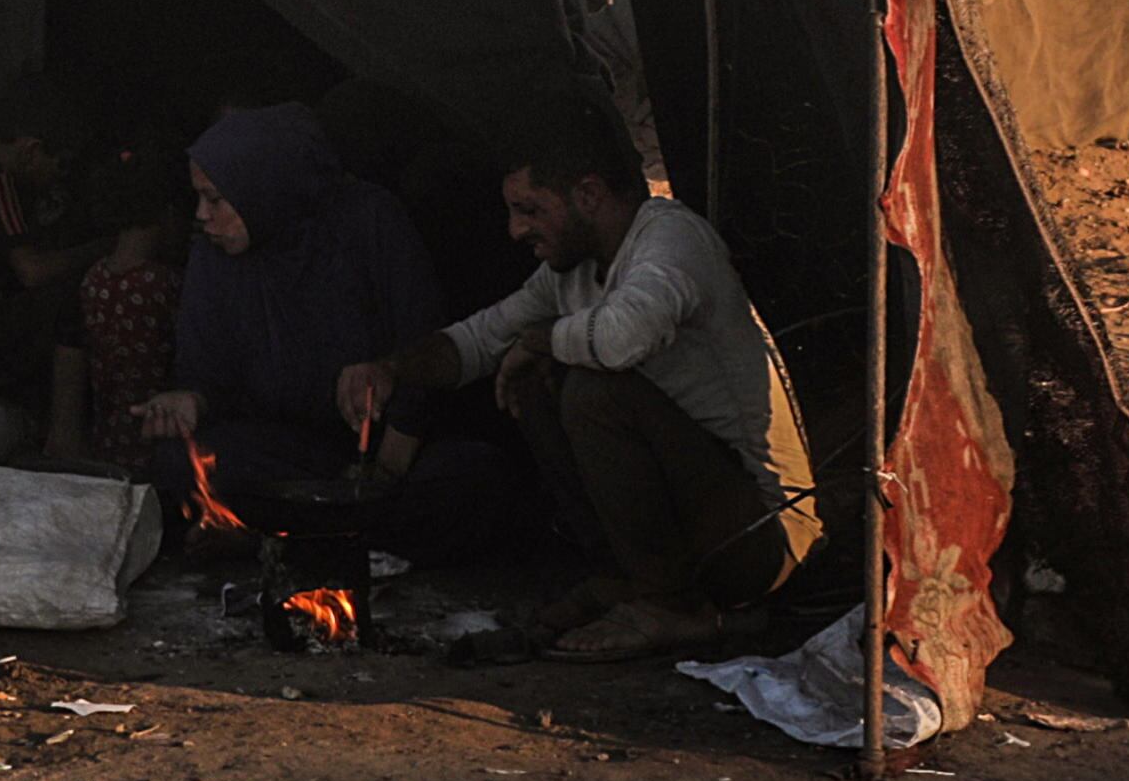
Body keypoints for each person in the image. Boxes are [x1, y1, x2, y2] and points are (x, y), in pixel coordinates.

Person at [337, 100, 814, 659]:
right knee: (540, 382)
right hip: (700, 525)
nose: (516, 230)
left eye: (530, 210)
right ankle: (623, 578)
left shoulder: (671, 241)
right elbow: (477, 341)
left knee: (592, 391)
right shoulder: (572, 273)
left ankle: (671, 605)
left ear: (587, 195)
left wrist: (538, 342)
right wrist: (389, 369)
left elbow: (617, 339)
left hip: (758, 537)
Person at [144, 103, 445, 517]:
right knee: (180, 462)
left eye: (214, 199)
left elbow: (428, 347)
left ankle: (306, 531)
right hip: (287, 453)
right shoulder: (215, 255)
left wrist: (386, 468)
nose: (202, 216)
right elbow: (208, 372)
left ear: (261, 188)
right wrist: (192, 400)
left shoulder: (369, 222)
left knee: (467, 478)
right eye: (198, 199)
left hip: (384, 448)